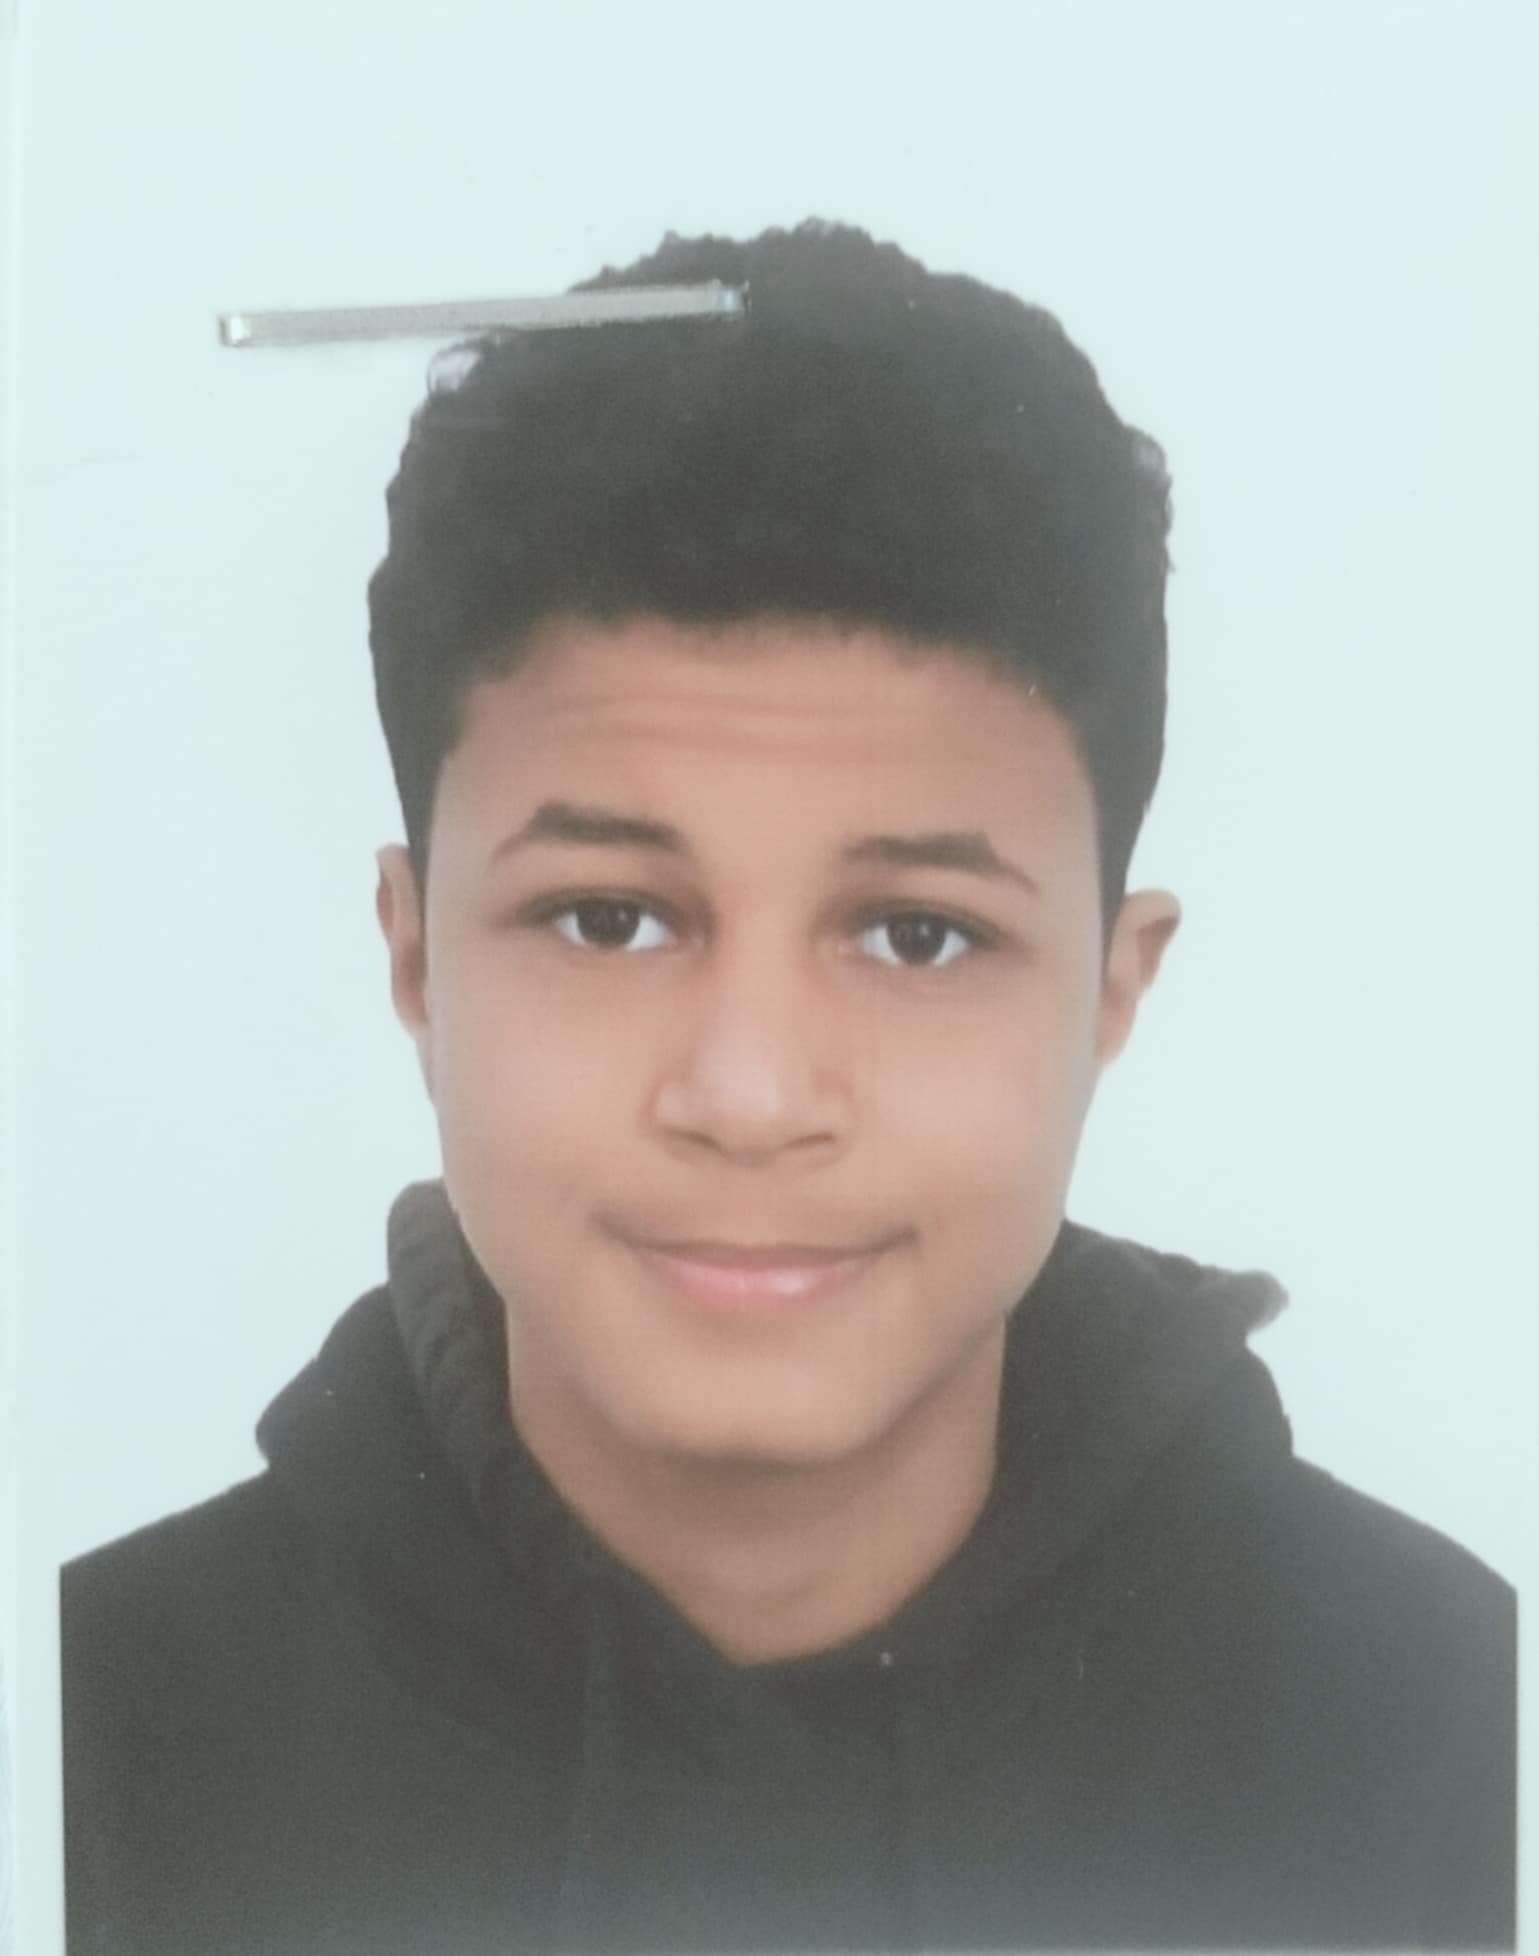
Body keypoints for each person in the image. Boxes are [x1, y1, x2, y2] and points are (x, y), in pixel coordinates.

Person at [60, 219, 1515, 1956]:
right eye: (609, 919)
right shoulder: (95, 1746)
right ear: (417, 958)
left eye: (918, 935)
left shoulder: (1453, 1740)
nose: (749, 1097)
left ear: (1113, 991)